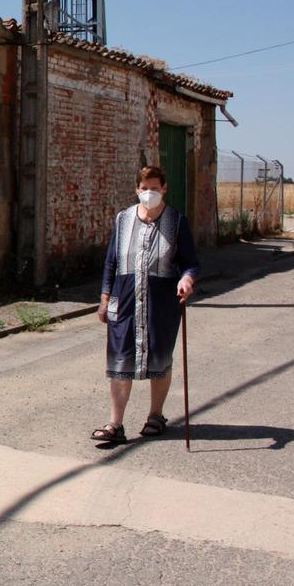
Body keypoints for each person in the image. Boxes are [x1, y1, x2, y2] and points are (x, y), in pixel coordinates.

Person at [93, 165, 199, 443]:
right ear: (137, 190)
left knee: (160, 358)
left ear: (164, 189)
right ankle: (115, 425)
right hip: (125, 298)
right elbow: (111, 262)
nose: (149, 192)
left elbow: (190, 263)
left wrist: (186, 280)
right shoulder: (123, 219)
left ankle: (156, 416)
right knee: (119, 359)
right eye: (144, 188)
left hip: (161, 301)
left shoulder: (176, 221)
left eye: (155, 187)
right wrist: (104, 299)